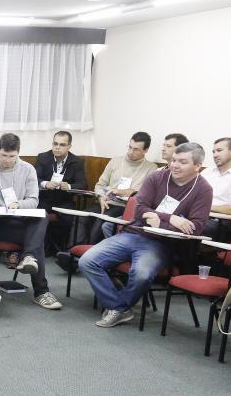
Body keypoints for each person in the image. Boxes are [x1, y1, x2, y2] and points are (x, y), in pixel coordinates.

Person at [78, 143, 213, 327]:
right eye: (174, 160)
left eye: (182, 162)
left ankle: (117, 308)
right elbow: (140, 209)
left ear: (197, 166)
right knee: (87, 261)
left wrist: (159, 220)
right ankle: (119, 307)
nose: (175, 165)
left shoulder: (203, 189)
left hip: (163, 244)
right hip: (134, 233)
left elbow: (195, 227)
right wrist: (171, 218)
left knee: (142, 274)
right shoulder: (157, 177)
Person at [0, 133, 63, 310]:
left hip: (21, 219)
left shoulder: (28, 169)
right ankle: (41, 291)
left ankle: (29, 257)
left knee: (42, 215)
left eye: (12, 156)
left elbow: (33, 200)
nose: (7, 160)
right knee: (36, 242)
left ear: (18, 153)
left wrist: (18, 204)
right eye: (3, 155)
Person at [90, 132, 159, 242]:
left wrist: (120, 191)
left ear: (145, 151)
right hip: (105, 202)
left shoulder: (151, 168)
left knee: (102, 219)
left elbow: (142, 193)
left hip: (124, 207)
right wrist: (101, 197)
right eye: (130, 147)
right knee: (83, 217)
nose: (131, 152)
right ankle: (71, 251)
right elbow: (100, 185)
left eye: (136, 149)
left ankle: (88, 253)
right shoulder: (115, 161)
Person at [35, 131, 87, 250]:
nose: (57, 147)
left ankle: (64, 249)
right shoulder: (43, 157)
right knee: (37, 215)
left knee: (70, 217)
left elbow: (83, 184)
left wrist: (68, 186)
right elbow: (33, 178)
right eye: (55, 143)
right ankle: (41, 247)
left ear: (69, 146)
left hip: (64, 200)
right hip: (44, 199)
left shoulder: (77, 161)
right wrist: (45, 183)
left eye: (62, 145)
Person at [201, 138, 231, 241]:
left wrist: (208, 207)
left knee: (188, 227)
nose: (215, 155)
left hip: (220, 223)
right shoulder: (207, 172)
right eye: (213, 151)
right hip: (195, 215)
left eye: (219, 150)